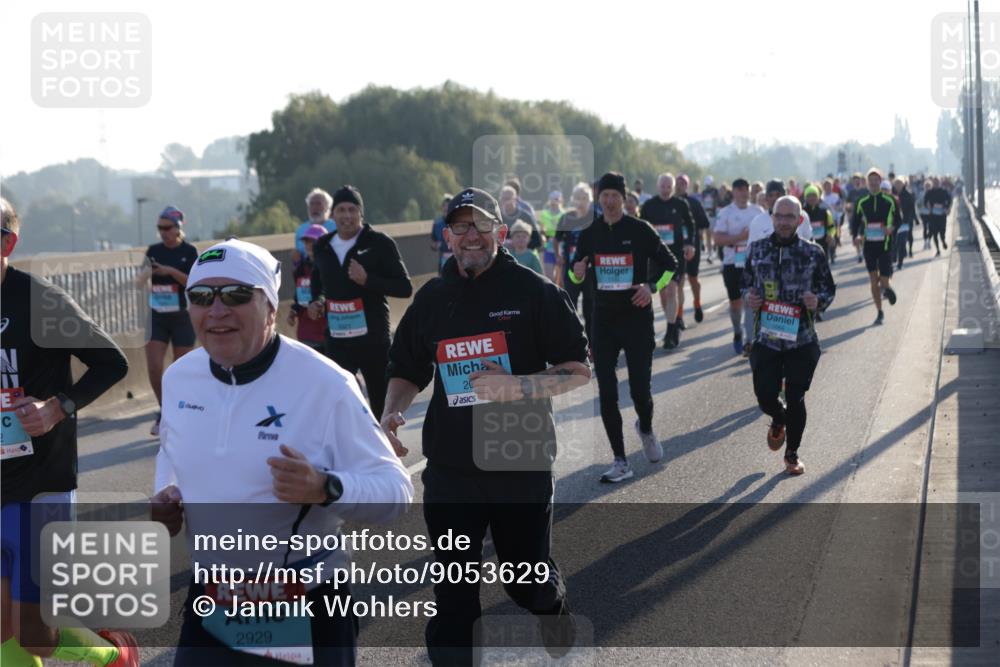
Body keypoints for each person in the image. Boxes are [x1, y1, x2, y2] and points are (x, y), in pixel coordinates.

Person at [152, 237, 412, 666]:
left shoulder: (326, 383)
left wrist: (325, 487)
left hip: (304, 600)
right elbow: (172, 449)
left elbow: (396, 492)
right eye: (201, 297)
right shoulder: (180, 378)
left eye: (236, 295)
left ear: (271, 306)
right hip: (213, 597)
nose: (216, 310)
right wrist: (168, 492)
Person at [382, 187, 590, 665]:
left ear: (500, 231)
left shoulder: (535, 292)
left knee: (525, 580)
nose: (470, 235)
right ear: (448, 237)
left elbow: (577, 370)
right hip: (452, 468)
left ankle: (553, 609)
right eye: (460, 226)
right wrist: (393, 411)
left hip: (520, 459)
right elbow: (407, 367)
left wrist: (518, 386)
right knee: (454, 596)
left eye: (480, 225)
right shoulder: (433, 299)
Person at [1, 198, 137, 667]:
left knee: (35, 635)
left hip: (40, 484)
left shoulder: (40, 301)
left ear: (8, 243)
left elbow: (112, 362)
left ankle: (114, 658)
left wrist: (58, 407)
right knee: (1, 631)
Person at [571, 172, 679, 482]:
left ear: (624, 198)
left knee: (640, 391)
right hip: (602, 321)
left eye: (614, 195)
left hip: (636, 319)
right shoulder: (589, 233)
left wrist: (651, 286)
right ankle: (620, 460)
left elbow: (671, 265)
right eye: (603, 195)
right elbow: (577, 274)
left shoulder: (641, 230)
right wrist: (578, 272)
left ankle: (645, 428)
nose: (608, 201)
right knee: (606, 393)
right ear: (598, 198)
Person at [743, 195, 836, 475]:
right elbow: (745, 282)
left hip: (802, 339)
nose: (784, 222)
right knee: (765, 396)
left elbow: (828, 289)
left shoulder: (812, 252)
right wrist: (750, 297)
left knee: (796, 397)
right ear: (771, 217)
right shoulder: (757, 249)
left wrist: (817, 300)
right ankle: (778, 417)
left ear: (800, 220)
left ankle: (792, 454)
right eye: (779, 216)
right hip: (767, 339)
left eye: (789, 217)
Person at [307, 185, 413, 420]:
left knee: (380, 404)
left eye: (352, 209)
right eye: (341, 210)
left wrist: (368, 280)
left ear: (360, 213)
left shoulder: (379, 243)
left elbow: (405, 288)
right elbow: (318, 281)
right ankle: (350, 450)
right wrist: (317, 301)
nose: (346, 216)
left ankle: (386, 449)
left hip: (372, 339)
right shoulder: (323, 245)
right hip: (337, 339)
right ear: (332, 214)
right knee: (336, 398)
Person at [140, 205, 199, 436]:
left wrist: (170, 271)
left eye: (167, 228)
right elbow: (137, 283)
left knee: (179, 371)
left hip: (182, 317)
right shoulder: (153, 250)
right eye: (159, 228)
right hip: (157, 316)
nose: (163, 232)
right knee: (155, 367)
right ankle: (165, 410)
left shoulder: (189, 251)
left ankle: (180, 411)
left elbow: (193, 282)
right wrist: (147, 274)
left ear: (178, 228)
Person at [639, 173, 696, 350]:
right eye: (662, 186)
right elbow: (641, 229)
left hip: (675, 256)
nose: (665, 190)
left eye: (668, 187)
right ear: (657, 187)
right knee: (663, 294)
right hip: (656, 257)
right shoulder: (649, 206)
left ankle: (671, 331)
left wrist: (689, 244)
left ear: (672, 188)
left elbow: (690, 224)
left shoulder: (680, 204)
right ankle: (671, 322)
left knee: (672, 290)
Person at [713, 178, 764, 356]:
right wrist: (741, 236)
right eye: (739, 190)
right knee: (736, 304)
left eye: (746, 190)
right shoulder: (725, 212)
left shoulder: (758, 211)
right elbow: (718, 239)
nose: (743, 193)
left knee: (751, 302)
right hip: (732, 264)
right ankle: (737, 332)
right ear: (733, 192)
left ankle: (750, 341)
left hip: (752, 264)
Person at [850, 168, 898, 325]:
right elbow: (855, 222)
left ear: (880, 181)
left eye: (876, 180)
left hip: (884, 245)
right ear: (867, 183)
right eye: (870, 180)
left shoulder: (889, 200)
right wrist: (856, 236)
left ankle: (888, 288)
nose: (873, 183)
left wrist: (891, 228)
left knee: (883, 280)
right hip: (869, 246)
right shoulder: (862, 202)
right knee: (873, 280)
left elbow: (898, 220)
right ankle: (879, 311)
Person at [555, 182, 596, 343]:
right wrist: (558, 255)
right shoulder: (566, 218)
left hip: (590, 268)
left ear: (590, 200)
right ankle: (575, 339)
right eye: (578, 198)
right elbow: (557, 239)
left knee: (589, 306)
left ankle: (592, 342)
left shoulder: (595, 217)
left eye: (584, 198)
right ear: (573, 200)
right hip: (570, 268)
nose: (581, 201)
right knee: (570, 302)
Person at [675, 174, 710, 324]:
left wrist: (693, 231)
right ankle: (679, 315)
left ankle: (697, 302)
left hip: (692, 246)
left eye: (683, 183)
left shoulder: (694, 203)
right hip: (675, 248)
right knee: (679, 280)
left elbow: (705, 223)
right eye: (678, 182)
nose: (680, 185)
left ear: (687, 186)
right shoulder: (670, 202)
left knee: (692, 278)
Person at [287, 223, 327, 351]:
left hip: (327, 333)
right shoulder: (301, 268)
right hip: (306, 333)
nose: (309, 245)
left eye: (313, 241)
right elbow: (299, 296)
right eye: (306, 241)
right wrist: (294, 310)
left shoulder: (331, 268)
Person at [748, 180, 813, 245]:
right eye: (770, 195)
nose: (774, 198)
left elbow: (809, 240)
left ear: (785, 195)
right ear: (766, 198)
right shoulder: (757, 221)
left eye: (778, 194)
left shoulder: (801, 216)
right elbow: (751, 250)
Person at [294, 188, 337, 264]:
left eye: (318, 204)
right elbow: (298, 259)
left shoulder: (336, 227)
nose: (314, 207)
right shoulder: (300, 230)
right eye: (311, 204)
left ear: (328, 207)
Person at [802, 185, 836, 269]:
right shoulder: (801, 213)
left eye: (814, 195)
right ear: (805, 198)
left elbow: (831, 227)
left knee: (822, 269)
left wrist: (830, 235)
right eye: (809, 196)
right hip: (806, 246)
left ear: (818, 197)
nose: (812, 198)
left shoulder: (825, 212)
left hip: (822, 244)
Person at [499, 185, 542, 250]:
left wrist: (519, 244)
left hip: (522, 257)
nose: (505, 202)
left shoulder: (525, 217)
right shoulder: (497, 217)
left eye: (507, 199)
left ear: (515, 199)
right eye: (503, 198)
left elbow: (538, 241)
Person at [923, 177, 953, 256]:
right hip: (933, 215)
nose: (936, 183)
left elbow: (949, 200)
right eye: (934, 182)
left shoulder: (944, 191)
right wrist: (928, 206)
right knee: (934, 233)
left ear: (940, 183)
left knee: (942, 232)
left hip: (942, 215)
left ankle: (943, 241)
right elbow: (925, 201)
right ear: (933, 183)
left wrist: (948, 208)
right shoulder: (929, 192)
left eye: (937, 182)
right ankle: (938, 250)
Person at [538, 190, 564, 279]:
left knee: (560, 279)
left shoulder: (564, 215)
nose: (554, 202)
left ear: (561, 201)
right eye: (552, 199)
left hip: (560, 248)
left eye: (556, 199)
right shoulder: (544, 214)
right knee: (549, 277)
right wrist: (543, 240)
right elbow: (541, 231)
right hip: (548, 247)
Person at [892, 177, 917, 269]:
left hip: (905, 222)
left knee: (903, 242)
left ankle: (900, 263)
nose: (898, 186)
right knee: (895, 242)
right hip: (895, 222)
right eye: (896, 184)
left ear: (903, 184)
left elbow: (912, 208)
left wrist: (913, 219)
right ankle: (895, 257)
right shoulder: (892, 195)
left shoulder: (908, 194)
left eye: (899, 184)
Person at [821, 179, 844, 264]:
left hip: (834, 218)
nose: (827, 187)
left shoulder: (836, 196)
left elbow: (841, 208)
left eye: (829, 186)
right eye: (825, 186)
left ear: (831, 186)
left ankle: (833, 252)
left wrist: (835, 207)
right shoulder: (821, 197)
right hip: (824, 220)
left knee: (833, 237)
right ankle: (828, 253)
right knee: (826, 238)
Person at [430, 194, 452, 275]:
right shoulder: (437, 224)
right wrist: (436, 246)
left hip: (458, 259)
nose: (446, 208)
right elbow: (433, 243)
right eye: (444, 206)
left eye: (449, 206)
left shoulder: (459, 222)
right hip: (443, 259)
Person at [701, 175, 720, 264]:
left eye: (709, 185)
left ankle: (715, 248)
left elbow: (716, 202)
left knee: (714, 234)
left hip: (713, 215)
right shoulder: (704, 192)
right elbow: (703, 202)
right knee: (708, 235)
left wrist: (712, 210)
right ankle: (710, 254)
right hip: (706, 215)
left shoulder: (715, 191)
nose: (708, 186)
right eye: (706, 185)